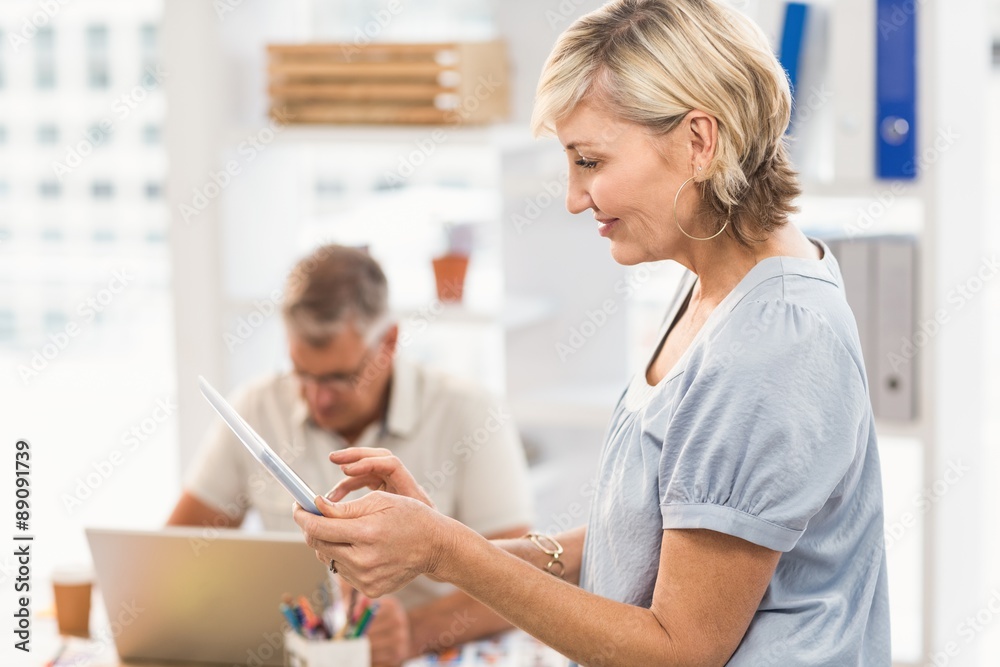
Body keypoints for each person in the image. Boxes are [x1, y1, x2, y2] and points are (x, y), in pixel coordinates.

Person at [293, 1, 891, 665]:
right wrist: (445, 544)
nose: (576, 198)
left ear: (699, 141)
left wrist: (447, 550)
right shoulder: (713, 284)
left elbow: (678, 649)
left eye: (590, 161)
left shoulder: (771, 342)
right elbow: (662, 537)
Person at [167, 244, 533, 665]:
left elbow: (522, 582)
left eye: (341, 377)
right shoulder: (255, 408)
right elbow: (177, 555)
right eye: (303, 373)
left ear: (389, 342)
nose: (319, 399)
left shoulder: (469, 413)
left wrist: (416, 630)